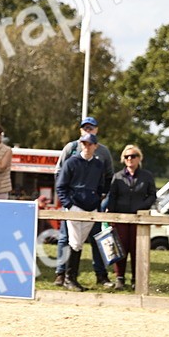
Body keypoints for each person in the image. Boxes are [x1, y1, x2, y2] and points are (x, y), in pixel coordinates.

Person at [54, 116, 115, 287]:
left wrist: (100, 198)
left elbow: (106, 179)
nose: (87, 147)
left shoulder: (100, 159)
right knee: (70, 240)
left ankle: (99, 276)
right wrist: (67, 204)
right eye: (85, 143)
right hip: (74, 206)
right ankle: (66, 276)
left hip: (92, 207)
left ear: (95, 144)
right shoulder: (71, 155)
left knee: (90, 239)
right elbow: (61, 181)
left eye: (90, 144)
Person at [104, 143, 156, 290]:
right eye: (126, 156)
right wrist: (111, 216)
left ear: (139, 158)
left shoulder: (147, 176)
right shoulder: (117, 177)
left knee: (137, 249)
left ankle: (136, 278)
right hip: (121, 218)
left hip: (139, 219)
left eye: (133, 156)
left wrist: (142, 207)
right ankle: (120, 278)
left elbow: (152, 195)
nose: (130, 159)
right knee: (120, 249)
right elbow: (112, 197)